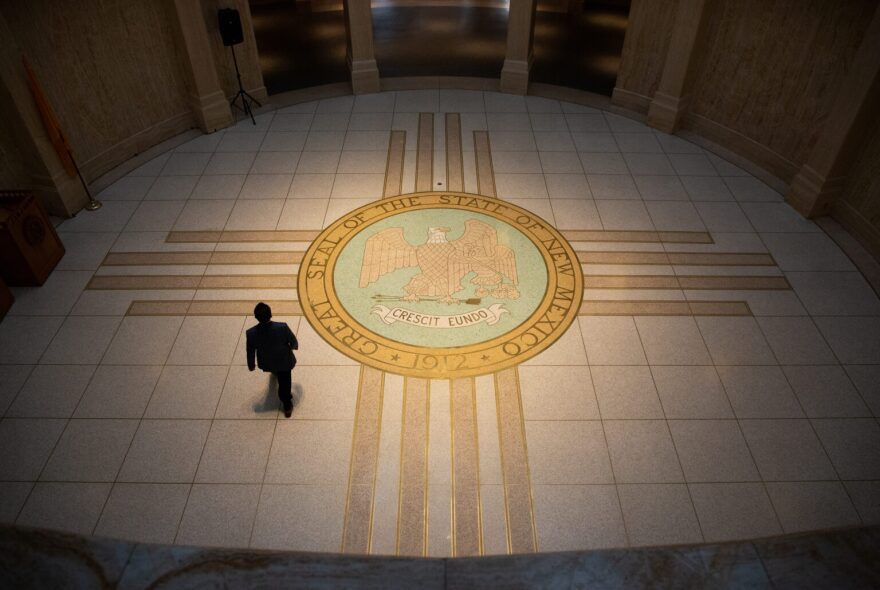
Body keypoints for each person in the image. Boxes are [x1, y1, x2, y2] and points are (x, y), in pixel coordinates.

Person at [246, 302, 298, 417]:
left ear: (256, 317)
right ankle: (287, 404)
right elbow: (292, 340)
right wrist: (294, 347)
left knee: (276, 371)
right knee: (285, 383)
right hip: (284, 360)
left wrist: (251, 364)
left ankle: (275, 373)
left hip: (267, 361)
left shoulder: (251, 333)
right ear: (271, 314)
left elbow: (250, 350)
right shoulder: (282, 327)